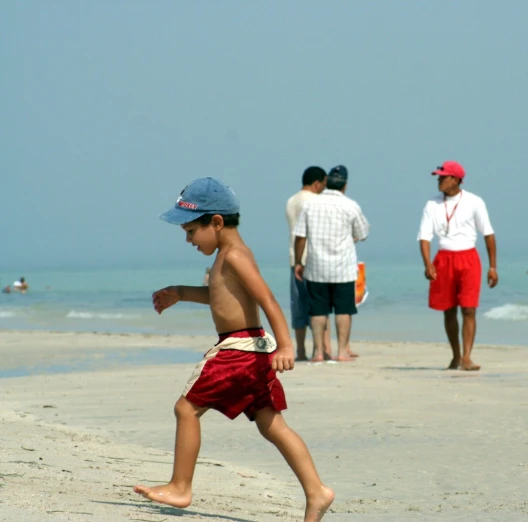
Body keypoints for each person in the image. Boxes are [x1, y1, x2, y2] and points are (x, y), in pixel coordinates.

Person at [134, 177, 333, 521]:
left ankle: (181, 487)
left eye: (191, 231)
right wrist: (179, 292)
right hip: (253, 350)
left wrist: (286, 344)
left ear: (216, 222)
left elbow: (267, 299)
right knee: (272, 425)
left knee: (186, 409)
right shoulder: (227, 257)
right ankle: (317, 491)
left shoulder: (236, 256)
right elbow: (219, 296)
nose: (188, 240)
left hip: (238, 350)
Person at [417, 161, 498, 372]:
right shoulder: (431, 204)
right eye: (438, 177)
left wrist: (493, 267)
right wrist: (427, 264)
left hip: (468, 258)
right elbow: (424, 236)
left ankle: (467, 357)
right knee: (448, 310)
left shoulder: (474, 201)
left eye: (443, 177)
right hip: (443, 258)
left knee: (469, 308)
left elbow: (488, 233)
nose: (439, 180)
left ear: (456, 179)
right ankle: (455, 356)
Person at [294, 165, 370, 362]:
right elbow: (363, 234)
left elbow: (300, 237)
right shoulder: (351, 205)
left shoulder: (311, 205)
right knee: (344, 309)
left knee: (318, 310)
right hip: (343, 267)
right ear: (345, 185)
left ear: (326, 182)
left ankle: (318, 351)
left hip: (316, 266)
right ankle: (342, 351)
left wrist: (297, 262)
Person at [286, 166, 332, 361]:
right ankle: (322, 349)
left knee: (299, 306)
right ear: (317, 183)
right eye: (324, 183)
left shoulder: (291, 201)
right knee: (320, 307)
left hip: (294, 259)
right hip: (315, 260)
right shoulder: (316, 201)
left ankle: (301, 350)